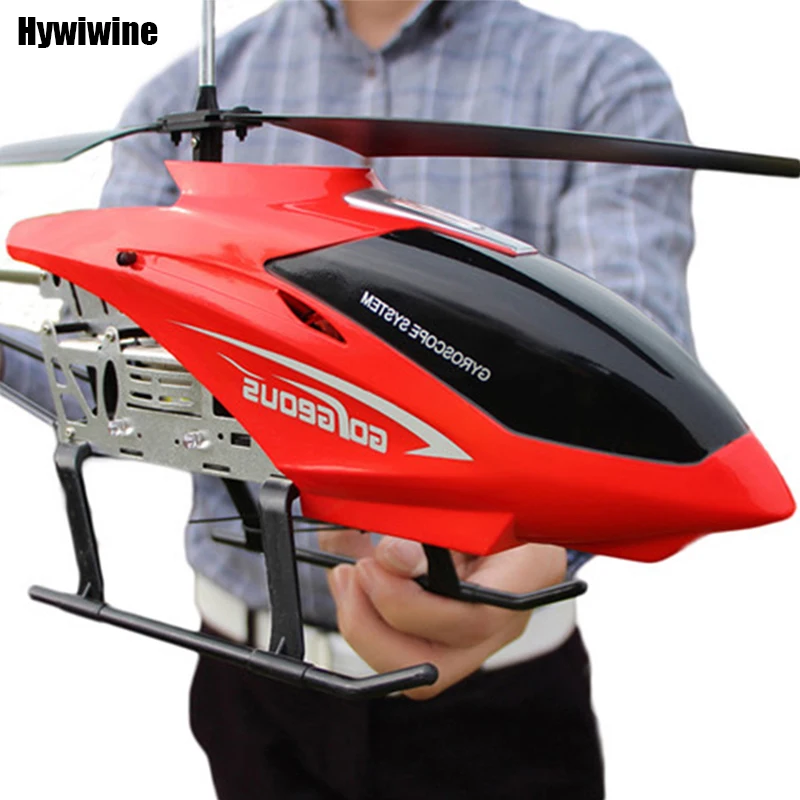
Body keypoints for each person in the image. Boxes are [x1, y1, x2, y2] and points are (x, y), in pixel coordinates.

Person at [2, 1, 695, 798]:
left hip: (503, 701)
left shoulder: (599, 84)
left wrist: (535, 548)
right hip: (251, 691)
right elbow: (99, 368)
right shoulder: (174, 94)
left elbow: (632, 370)